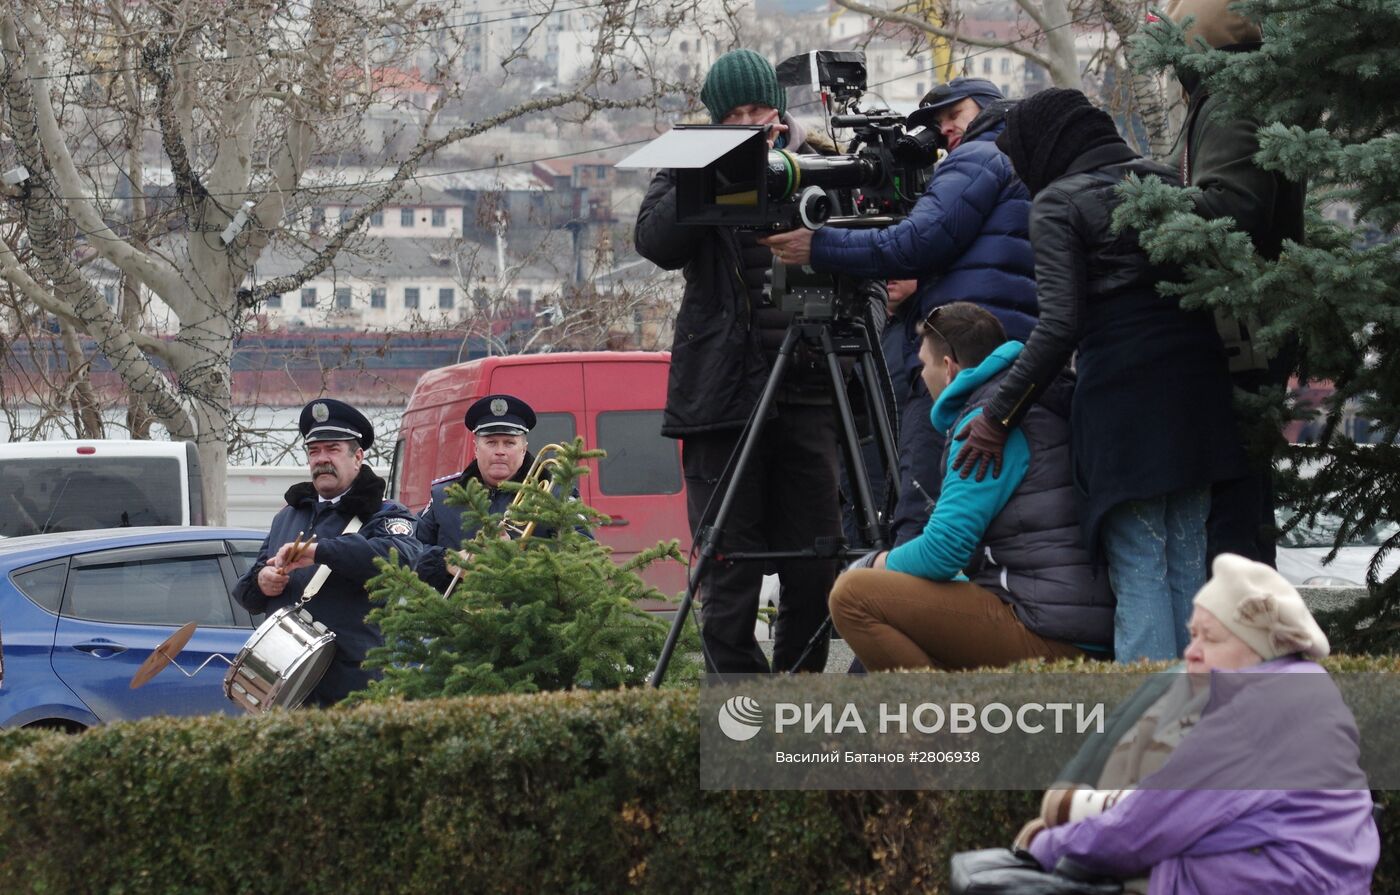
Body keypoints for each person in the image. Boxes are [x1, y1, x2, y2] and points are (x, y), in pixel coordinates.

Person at [952, 88, 1247, 662]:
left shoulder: (1060, 203)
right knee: (1186, 557)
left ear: (1047, 145)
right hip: (1197, 392)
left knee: (1137, 561)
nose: (1019, 173)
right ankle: (1203, 722)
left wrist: (996, 415)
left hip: (1126, 403)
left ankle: (1147, 729)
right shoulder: (1164, 180)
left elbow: (1059, 325)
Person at [634, 48, 843, 674]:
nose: (754, 122)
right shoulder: (689, 163)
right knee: (727, 568)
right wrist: (718, 164)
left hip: (807, 387)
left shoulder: (820, 160)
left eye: (761, 110)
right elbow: (656, 242)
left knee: (818, 563)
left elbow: (867, 262)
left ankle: (798, 698)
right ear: (716, 118)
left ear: (780, 109)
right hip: (721, 397)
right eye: (737, 114)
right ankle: (742, 715)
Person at [760, 78, 1036, 545]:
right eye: (936, 121)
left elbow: (913, 243)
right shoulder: (1023, 164)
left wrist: (819, 246)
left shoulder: (978, 157)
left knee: (921, 512)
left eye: (955, 114)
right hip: (1009, 358)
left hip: (959, 362)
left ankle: (891, 595)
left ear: (989, 109)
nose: (945, 129)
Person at [1014, 553, 1379, 894]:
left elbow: (1140, 831)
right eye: (1193, 635)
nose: (1192, 652)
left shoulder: (1254, 714)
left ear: (1259, 648)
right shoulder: (1304, 690)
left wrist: (1041, 844)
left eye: (1211, 638)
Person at [828, 303, 1113, 670]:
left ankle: (934, 724)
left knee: (853, 595)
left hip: (1049, 632)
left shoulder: (984, 425)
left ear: (948, 369)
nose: (921, 376)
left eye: (923, 365)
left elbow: (943, 551)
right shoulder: (1031, 399)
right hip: (1080, 623)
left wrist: (871, 563)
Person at [1162, 0, 1307, 567]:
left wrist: (1142, 199)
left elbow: (1230, 209)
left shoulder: (1228, 101)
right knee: (1244, 501)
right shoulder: (1251, 96)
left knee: (1230, 508)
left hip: (1235, 328)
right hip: (1250, 327)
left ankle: (1237, 635)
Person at [232, 398, 423, 707]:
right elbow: (246, 591)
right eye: (314, 451)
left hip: (352, 687)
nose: (322, 459)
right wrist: (263, 581)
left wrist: (320, 552)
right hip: (286, 689)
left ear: (358, 457)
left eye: (332, 449)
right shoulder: (288, 516)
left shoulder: (384, 514)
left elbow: (399, 559)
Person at [414, 393, 579, 591]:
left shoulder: (555, 494)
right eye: (491, 442)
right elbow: (409, 551)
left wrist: (519, 556)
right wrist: (448, 562)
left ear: (524, 449)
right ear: (476, 448)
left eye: (509, 443)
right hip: (455, 616)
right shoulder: (445, 495)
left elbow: (583, 553)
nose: (500, 451)